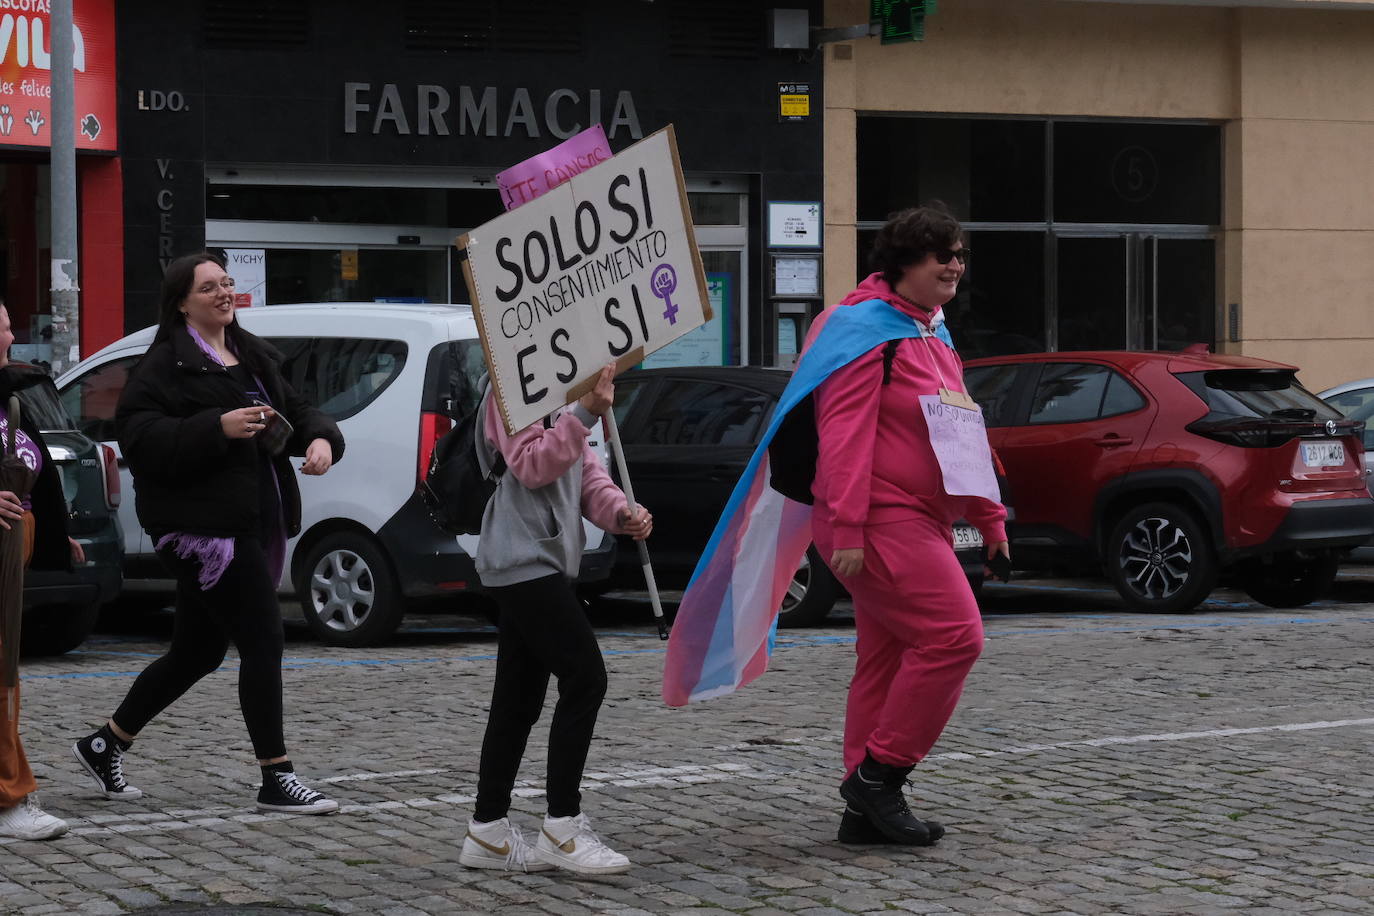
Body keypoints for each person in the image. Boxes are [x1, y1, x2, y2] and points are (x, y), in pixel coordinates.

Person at [71, 253, 346, 814]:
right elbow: (140, 438)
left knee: (197, 651)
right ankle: (276, 777)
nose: (223, 293)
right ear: (181, 303)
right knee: (264, 639)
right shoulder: (161, 367)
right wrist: (215, 427)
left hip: (255, 517)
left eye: (226, 283)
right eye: (208, 287)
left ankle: (105, 743)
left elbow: (298, 411)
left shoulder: (252, 355)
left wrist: (321, 439)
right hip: (203, 533)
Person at [811, 204, 1009, 846]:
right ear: (904, 263)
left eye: (961, 255)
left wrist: (990, 518)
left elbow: (963, 430)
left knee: (886, 659)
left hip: (920, 518)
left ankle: (862, 810)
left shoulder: (932, 333)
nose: (955, 265)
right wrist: (847, 528)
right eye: (941, 255)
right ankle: (879, 778)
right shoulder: (864, 331)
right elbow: (842, 435)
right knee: (955, 638)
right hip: (878, 519)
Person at [459, 364, 652, 875]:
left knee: (517, 700)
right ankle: (562, 828)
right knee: (585, 678)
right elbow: (531, 466)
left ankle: (487, 830)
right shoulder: (508, 389)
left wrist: (620, 512)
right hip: (522, 560)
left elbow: (585, 474)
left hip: (542, 560)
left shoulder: (558, 391)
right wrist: (585, 413)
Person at [0, 300, 83, 840]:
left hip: (13, 544)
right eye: (4, 328)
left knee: (5, 670)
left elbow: (34, 472)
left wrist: (52, 534)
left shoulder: (10, 395)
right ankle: (9, 797)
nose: (12, 337)